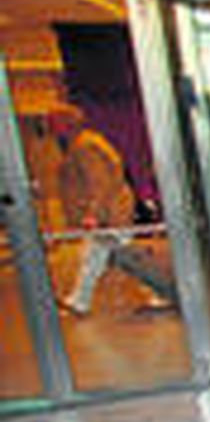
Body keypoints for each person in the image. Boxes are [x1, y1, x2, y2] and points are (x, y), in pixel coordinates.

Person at [51, 104, 137, 316]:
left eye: (53, 121)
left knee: (102, 258)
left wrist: (93, 214)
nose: (49, 126)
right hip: (110, 212)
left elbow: (98, 182)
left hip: (109, 214)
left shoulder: (84, 147)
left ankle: (79, 301)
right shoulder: (85, 142)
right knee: (101, 258)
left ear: (66, 123)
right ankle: (79, 300)